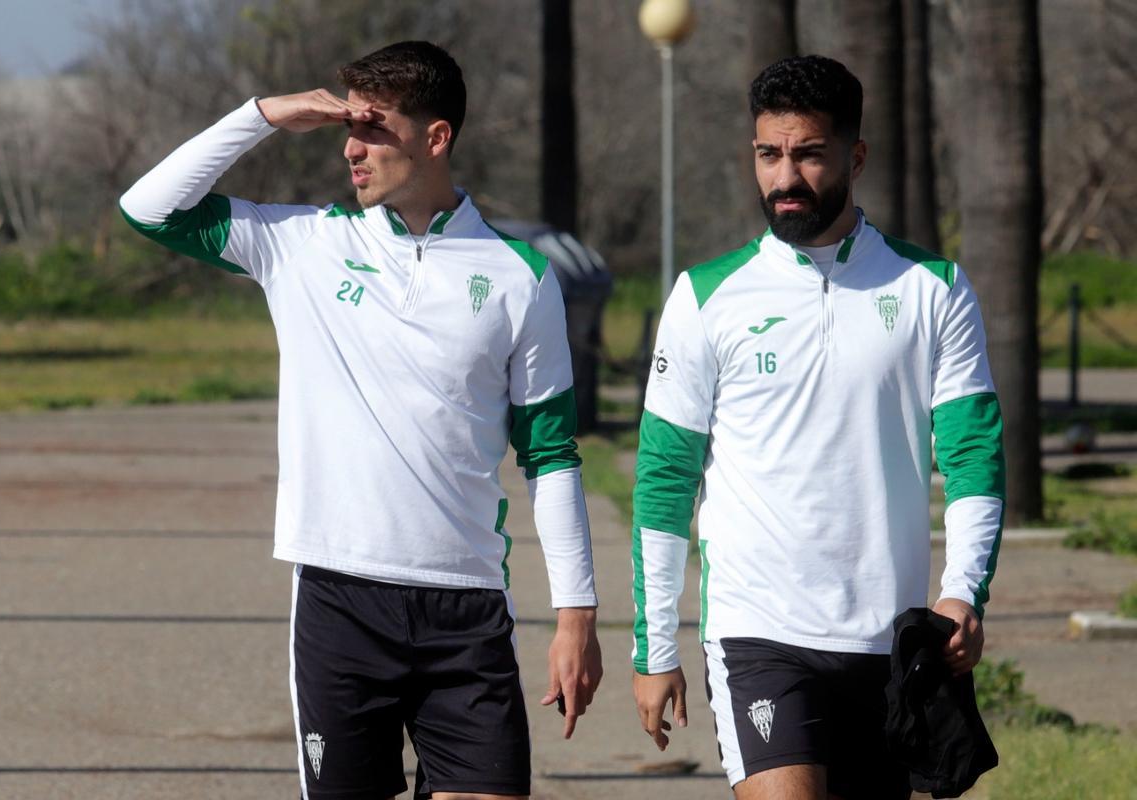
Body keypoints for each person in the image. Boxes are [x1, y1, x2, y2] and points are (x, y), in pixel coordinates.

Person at [119, 41, 602, 800]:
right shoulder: (303, 245)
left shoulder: (520, 276)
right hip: (340, 603)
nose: (351, 146)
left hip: (466, 610)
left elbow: (552, 455)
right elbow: (148, 208)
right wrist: (267, 116)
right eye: (349, 126)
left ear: (435, 138)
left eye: (373, 128)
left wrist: (576, 615)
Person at [629, 55, 1005, 800]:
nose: (784, 178)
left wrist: (964, 591)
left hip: (888, 642)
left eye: (807, 154)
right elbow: (665, 479)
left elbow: (972, 456)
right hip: (757, 632)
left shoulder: (934, 289)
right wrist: (654, 644)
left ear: (855, 156)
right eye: (769, 154)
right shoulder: (706, 297)